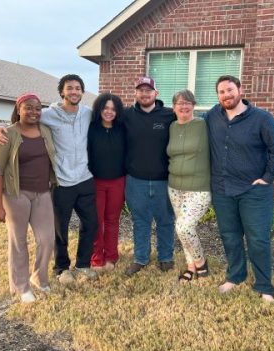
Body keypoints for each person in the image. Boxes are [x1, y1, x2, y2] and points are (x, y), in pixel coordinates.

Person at [0, 74, 98, 284]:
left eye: (78, 88)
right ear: (62, 92)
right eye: (70, 88)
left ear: (82, 92)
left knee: (91, 223)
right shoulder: (48, 114)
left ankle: (83, 264)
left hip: (85, 178)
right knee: (60, 228)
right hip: (61, 181)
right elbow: (20, 119)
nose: (74, 92)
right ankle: (62, 268)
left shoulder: (88, 114)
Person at [205, 75, 274, 302]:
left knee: (258, 239)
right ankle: (235, 276)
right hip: (223, 189)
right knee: (230, 236)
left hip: (254, 191)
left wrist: (267, 177)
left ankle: (264, 285)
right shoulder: (213, 116)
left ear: (240, 90)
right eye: (221, 92)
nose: (226, 95)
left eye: (230, 90)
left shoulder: (261, 118)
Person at [0, 93, 57, 303]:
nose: (34, 112)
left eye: (38, 108)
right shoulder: (7, 134)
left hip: (42, 193)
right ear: (18, 109)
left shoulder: (45, 131)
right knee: (18, 241)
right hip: (15, 194)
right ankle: (21, 287)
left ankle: (39, 277)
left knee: (47, 239)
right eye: (28, 107)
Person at [123, 77, 177, 276]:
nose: (144, 94)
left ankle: (165, 257)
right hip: (135, 180)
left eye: (149, 90)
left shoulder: (169, 115)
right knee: (140, 221)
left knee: (165, 220)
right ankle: (141, 258)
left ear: (156, 93)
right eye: (141, 90)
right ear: (135, 93)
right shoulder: (126, 115)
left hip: (164, 180)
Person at [166, 89, 211, 283]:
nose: (184, 106)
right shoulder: (172, 127)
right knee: (182, 228)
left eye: (188, 102)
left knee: (184, 227)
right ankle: (190, 266)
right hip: (175, 186)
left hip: (199, 187)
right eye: (179, 103)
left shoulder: (204, 125)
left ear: (194, 105)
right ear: (173, 107)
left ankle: (201, 263)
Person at [87, 93, 126, 272]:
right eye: (106, 108)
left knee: (112, 220)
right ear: (99, 109)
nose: (109, 112)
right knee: (96, 221)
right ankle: (97, 257)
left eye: (113, 109)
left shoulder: (122, 128)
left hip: (118, 181)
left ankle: (111, 256)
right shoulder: (91, 128)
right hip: (96, 181)